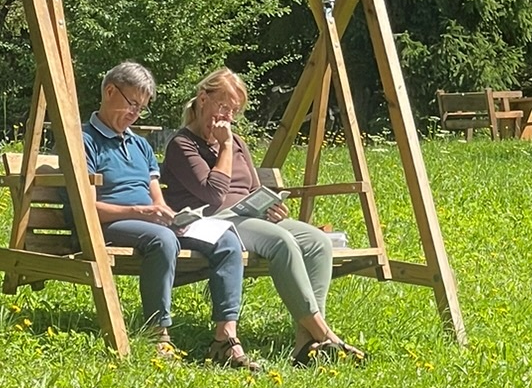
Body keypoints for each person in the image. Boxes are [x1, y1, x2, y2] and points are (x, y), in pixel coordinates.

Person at [161, 68, 364, 365]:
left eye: (234, 111)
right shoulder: (183, 144)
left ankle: (306, 342)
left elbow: (253, 188)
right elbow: (214, 194)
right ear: (203, 99)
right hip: (213, 222)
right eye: (223, 106)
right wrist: (225, 145)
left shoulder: (237, 142)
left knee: (317, 241)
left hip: (247, 218)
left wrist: (270, 207)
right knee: (281, 242)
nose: (228, 117)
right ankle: (324, 334)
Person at [82, 61, 260, 369]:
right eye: (132, 104)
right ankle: (158, 333)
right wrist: (141, 212)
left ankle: (225, 338)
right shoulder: (83, 141)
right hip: (106, 223)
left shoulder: (140, 145)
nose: (135, 114)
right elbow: (84, 206)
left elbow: (156, 198)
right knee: (163, 239)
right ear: (110, 91)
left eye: (141, 108)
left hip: (150, 223)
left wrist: (170, 215)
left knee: (225, 239)